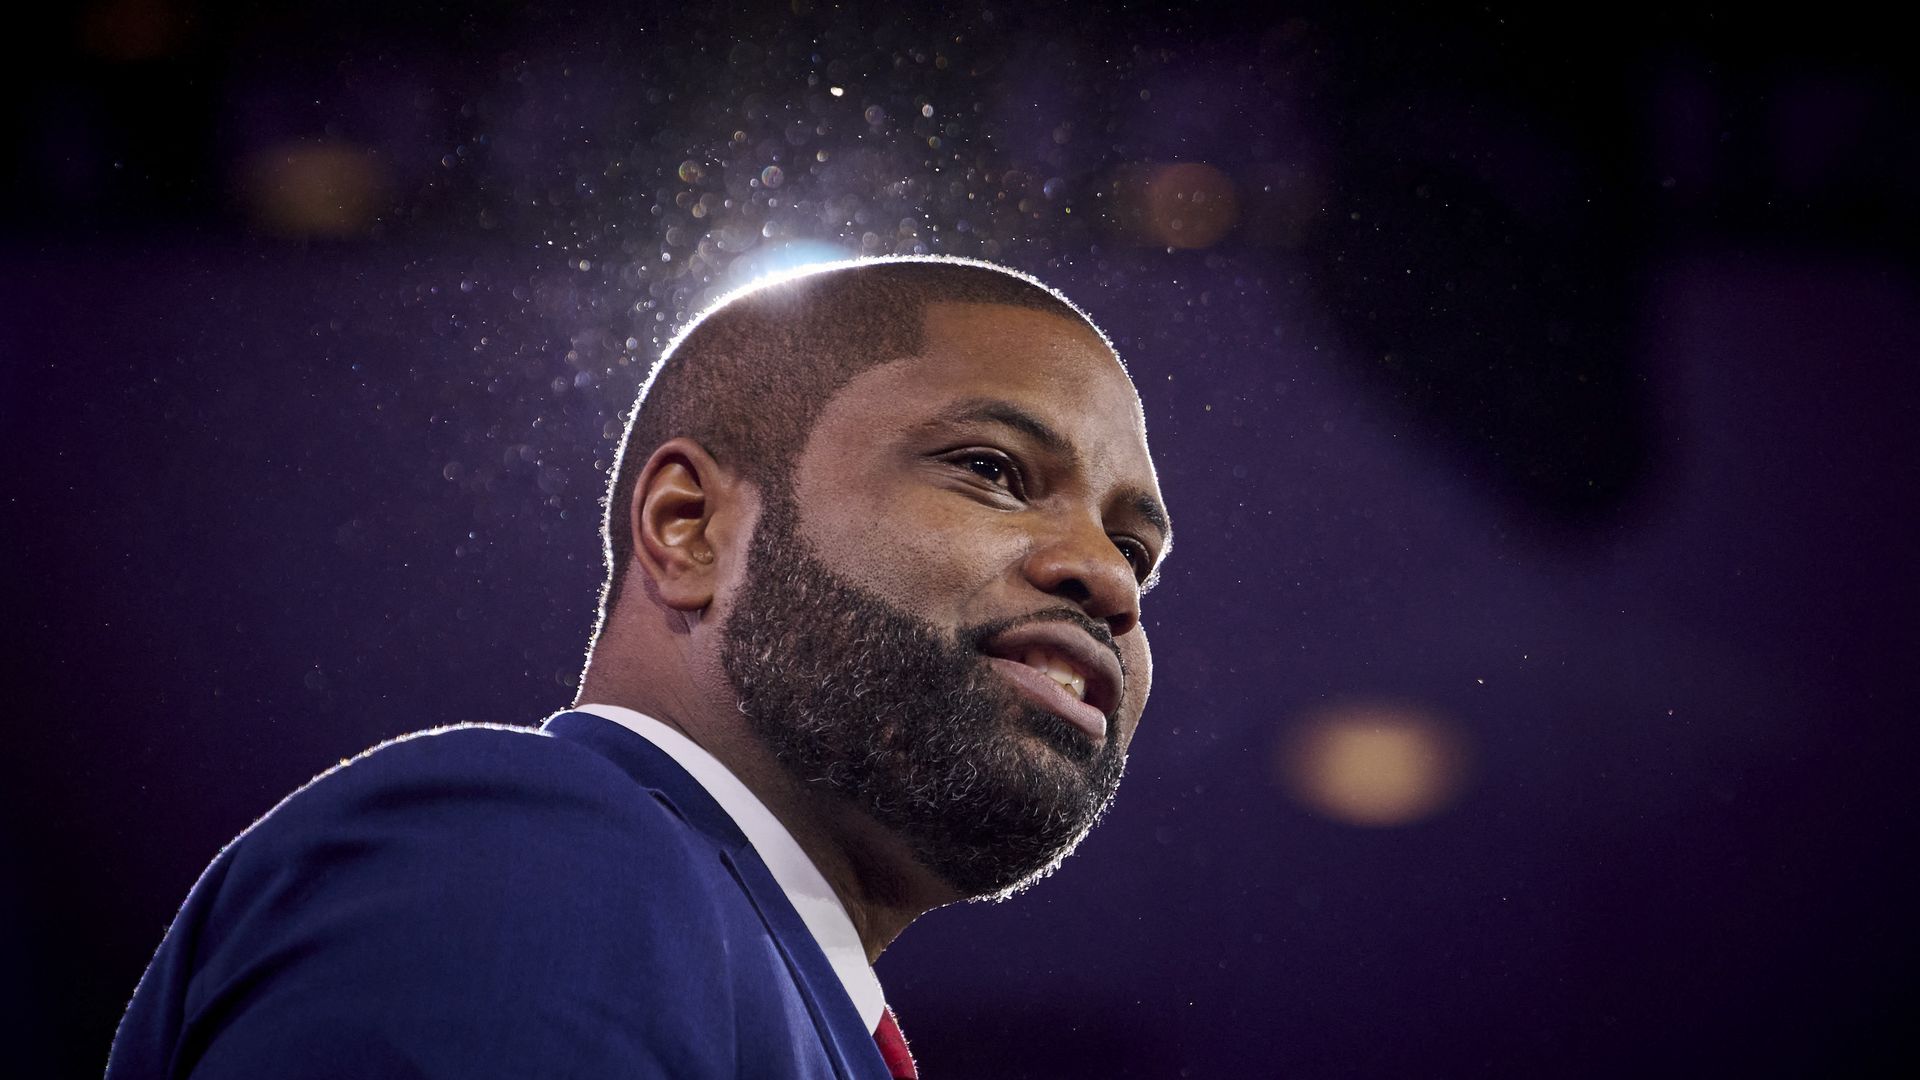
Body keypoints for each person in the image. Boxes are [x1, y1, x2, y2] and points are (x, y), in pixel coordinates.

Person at [105, 256, 1173, 1079]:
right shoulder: (535, 856)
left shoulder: (755, 981)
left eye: (1135, 552)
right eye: (992, 470)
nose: (1108, 580)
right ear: (691, 527)